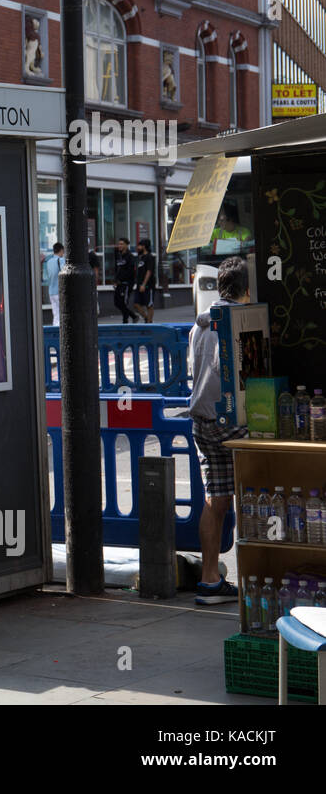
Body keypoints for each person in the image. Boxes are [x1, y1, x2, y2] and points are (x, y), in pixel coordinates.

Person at [187, 256, 249, 605]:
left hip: (202, 422)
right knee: (260, 492)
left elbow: (193, 371)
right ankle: (260, 578)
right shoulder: (240, 321)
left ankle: (210, 580)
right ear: (245, 289)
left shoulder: (199, 325)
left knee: (216, 499)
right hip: (234, 423)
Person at [112, 238, 138, 323]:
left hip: (127, 283)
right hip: (119, 283)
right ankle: (133, 316)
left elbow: (130, 271)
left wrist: (121, 279)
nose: (120, 246)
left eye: (122, 244)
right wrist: (116, 280)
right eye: (119, 244)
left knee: (123, 302)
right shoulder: (119, 256)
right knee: (117, 302)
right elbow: (117, 269)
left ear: (127, 245)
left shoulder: (130, 257)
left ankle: (125, 320)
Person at [133, 238, 156, 323]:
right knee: (136, 304)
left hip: (148, 285)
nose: (137, 247)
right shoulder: (140, 257)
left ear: (144, 246)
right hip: (139, 284)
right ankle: (146, 319)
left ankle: (149, 323)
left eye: (139, 246)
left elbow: (149, 271)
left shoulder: (149, 257)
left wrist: (144, 284)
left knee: (149, 305)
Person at [43, 242, 66, 327]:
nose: (63, 253)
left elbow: (45, 277)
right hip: (60, 291)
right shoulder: (61, 260)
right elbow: (65, 274)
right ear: (61, 250)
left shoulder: (48, 262)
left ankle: (55, 330)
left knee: (56, 314)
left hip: (51, 292)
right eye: (63, 251)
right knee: (63, 313)